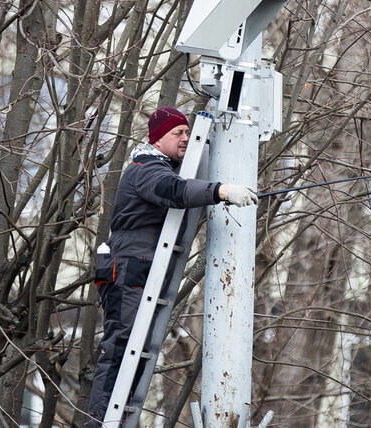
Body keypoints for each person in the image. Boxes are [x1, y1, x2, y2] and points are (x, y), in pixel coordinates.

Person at [86, 107, 257, 426]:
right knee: (121, 347)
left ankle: (115, 416)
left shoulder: (159, 167)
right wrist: (221, 191)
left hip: (134, 269)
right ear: (157, 138)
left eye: (187, 132)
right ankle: (101, 421)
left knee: (129, 348)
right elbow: (173, 191)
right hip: (128, 270)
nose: (185, 138)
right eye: (177, 133)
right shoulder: (146, 168)